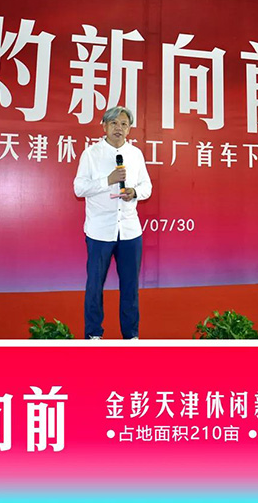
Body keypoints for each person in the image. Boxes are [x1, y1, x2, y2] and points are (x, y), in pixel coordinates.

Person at [73, 106, 152, 340]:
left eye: (124, 124)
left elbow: (147, 186)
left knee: (130, 287)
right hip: (99, 232)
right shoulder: (91, 154)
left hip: (129, 231)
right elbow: (79, 188)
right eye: (114, 123)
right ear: (104, 126)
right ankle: (93, 335)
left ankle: (131, 336)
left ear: (129, 129)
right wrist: (107, 180)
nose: (119, 128)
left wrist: (134, 192)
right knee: (95, 285)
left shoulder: (135, 154)